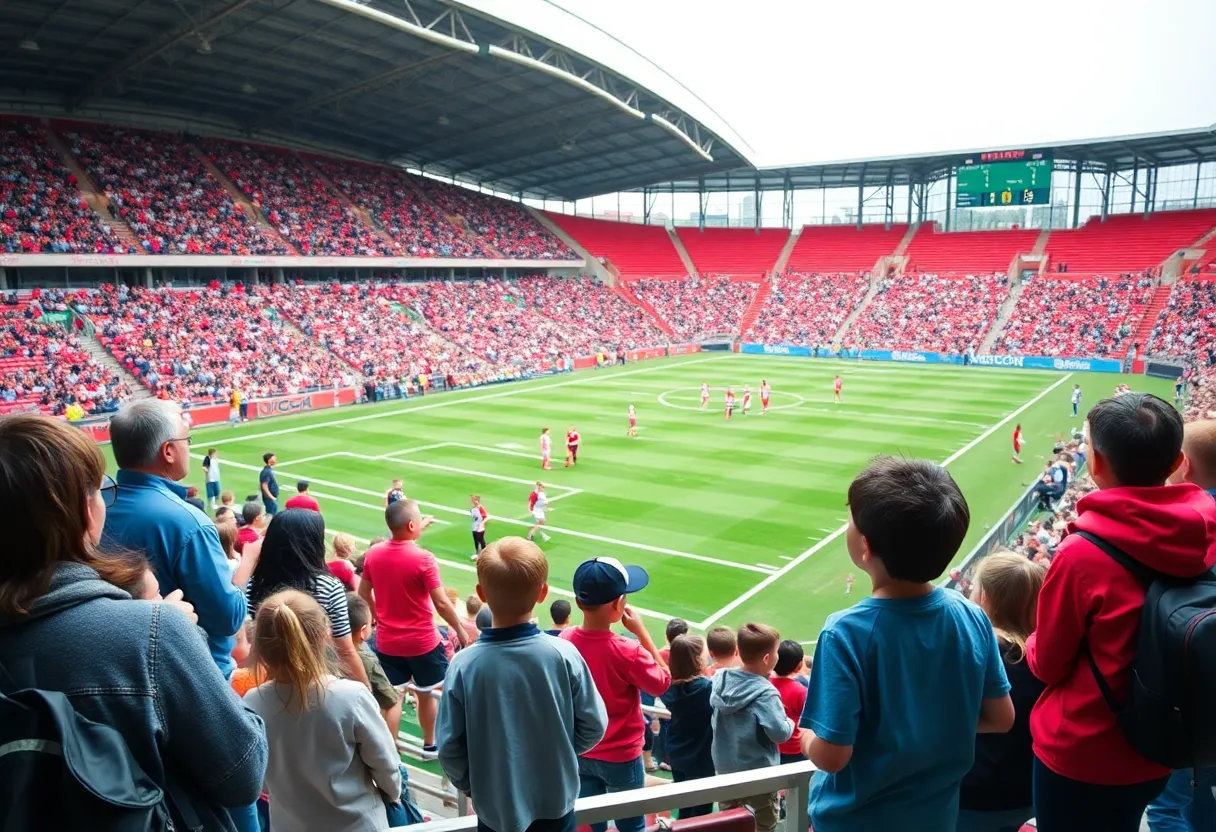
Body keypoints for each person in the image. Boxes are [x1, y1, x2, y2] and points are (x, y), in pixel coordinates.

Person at [0, 414, 268, 831]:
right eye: (98, 491)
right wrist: (171, 633)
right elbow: (243, 774)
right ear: (80, 513)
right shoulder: (154, 633)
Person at [1027, 394, 1216, 832]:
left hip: (1084, 750)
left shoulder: (1080, 555)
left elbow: (1047, 664)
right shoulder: (1205, 535)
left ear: (1094, 464)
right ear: (1177, 463)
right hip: (1158, 746)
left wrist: (1030, 640)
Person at [801, 456, 1013, 832]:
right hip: (937, 817)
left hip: (854, 822)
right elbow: (1001, 717)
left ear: (865, 545)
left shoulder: (844, 633)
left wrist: (804, 738)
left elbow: (832, 756)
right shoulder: (971, 616)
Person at [436, 537, 608, 832]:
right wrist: (559, 752)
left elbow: (450, 747)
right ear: (543, 593)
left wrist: (471, 784)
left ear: (481, 593)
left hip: (495, 810)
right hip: (557, 803)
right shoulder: (563, 654)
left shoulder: (463, 666)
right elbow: (594, 724)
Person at [103, 399, 248, 677]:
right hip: (193, 672)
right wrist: (244, 569)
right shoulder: (188, 523)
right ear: (168, 451)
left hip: (119, 666)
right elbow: (227, 618)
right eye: (187, 440)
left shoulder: (95, 508)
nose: (189, 447)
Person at [244, 590, 403, 832]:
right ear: (324, 636)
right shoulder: (351, 696)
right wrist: (392, 794)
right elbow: (386, 766)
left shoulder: (253, 702)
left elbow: (262, 781)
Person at [562, 557, 671, 832]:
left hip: (581, 750)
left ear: (578, 603)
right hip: (621, 756)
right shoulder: (627, 650)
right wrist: (640, 631)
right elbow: (662, 682)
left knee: (589, 821)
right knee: (631, 824)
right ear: (618, 605)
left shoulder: (564, 641)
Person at [359, 499, 470, 752]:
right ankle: (430, 744)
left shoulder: (374, 554)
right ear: (411, 525)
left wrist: (377, 617)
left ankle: (391, 752)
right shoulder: (424, 559)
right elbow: (441, 602)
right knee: (427, 693)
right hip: (422, 643)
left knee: (393, 697)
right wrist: (461, 630)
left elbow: (364, 592)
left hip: (387, 642)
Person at [957, 553, 1048, 832]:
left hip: (972, 797)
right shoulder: (1045, 654)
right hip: (1028, 792)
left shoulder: (978, 650)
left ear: (984, 598)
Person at [246, 509, 371, 689]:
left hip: (268, 677)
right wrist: (367, 690)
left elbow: (254, 638)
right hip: (315, 679)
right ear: (313, 544)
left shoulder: (255, 584)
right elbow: (346, 650)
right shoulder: (328, 586)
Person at [710, 623, 794, 832]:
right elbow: (780, 734)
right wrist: (790, 722)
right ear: (767, 659)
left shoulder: (720, 678)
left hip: (725, 772)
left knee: (729, 824)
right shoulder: (766, 693)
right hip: (758, 777)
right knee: (763, 825)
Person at [660, 634, 715, 818]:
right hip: (701, 757)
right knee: (702, 810)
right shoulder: (707, 688)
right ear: (698, 659)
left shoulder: (669, 688)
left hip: (676, 752)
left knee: (683, 802)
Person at [346, 591, 403, 743]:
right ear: (363, 631)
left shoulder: (322, 648)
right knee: (396, 699)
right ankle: (391, 747)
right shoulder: (366, 659)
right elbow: (390, 700)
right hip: (355, 723)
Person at [771, 640, 808, 765]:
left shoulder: (765, 684)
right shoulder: (801, 692)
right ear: (799, 666)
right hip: (796, 749)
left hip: (772, 747)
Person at [469, 494, 490, 560]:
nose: (472, 501)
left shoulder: (480, 508)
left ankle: (484, 554)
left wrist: (482, 524)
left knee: (480, 540)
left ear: (477, 501)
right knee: (476, 540)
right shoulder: (473, 509)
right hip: (474, 527)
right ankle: (477, 553)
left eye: (474, 500)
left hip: (480, 528)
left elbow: (487, 517)